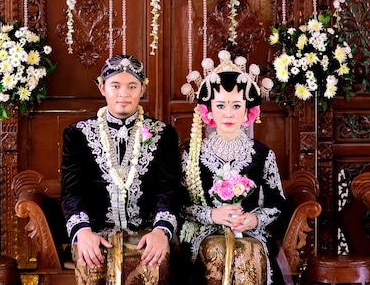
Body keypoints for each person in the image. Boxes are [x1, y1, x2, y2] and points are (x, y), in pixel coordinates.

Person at [61, 54, 182, 285]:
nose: (123, 94)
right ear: (102, 87)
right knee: (90, 260)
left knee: (150, 262)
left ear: (143, 89)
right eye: (115, 85)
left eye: (132, 86)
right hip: (94, 231)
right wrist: (83, 232)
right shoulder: (77, 134)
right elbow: (72, 189)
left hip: (146, 231)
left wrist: (161, 231)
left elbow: (168, 189)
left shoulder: (163, 134)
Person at [180, 50, 288, 285]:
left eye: (236, 105)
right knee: (215, 252)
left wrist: (253, 220)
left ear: (249, 111)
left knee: (248, 254)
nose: (228, 113)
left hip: (250, 234)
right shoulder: (192, 153)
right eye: (220, 105)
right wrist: (212, 215)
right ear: (208, 110)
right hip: (204, 233)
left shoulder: (262, 154)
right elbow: (180, 203)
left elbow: (277, 202)